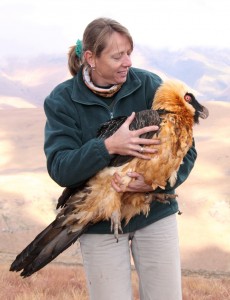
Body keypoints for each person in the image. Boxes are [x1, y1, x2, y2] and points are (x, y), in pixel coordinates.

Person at [44, 18, 197, 300]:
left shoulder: (149, 85)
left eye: (129, 53)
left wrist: (153, 185)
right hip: (100, 222)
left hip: (154, 213)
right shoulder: (62, 100)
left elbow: (186, 150)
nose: (127, 62)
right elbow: (61, 168)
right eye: (117, 56)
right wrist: (108, 146)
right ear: (91, 58)